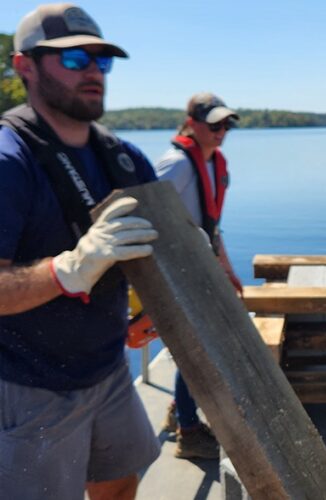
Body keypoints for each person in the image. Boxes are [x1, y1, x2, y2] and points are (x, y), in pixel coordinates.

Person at [0, 4, 161, 499]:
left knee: (119, 484)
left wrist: (151, 305)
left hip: (108, 368)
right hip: (31, 386)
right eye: (73, 60)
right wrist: (69, 269)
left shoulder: (124, 157)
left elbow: (157, 250)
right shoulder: (9, 160)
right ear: (24, 65)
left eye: (101, 60)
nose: (93, 71)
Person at [154, 92, 242, 460]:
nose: (222, 132)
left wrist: (226, 268)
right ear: (192, 124)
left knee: (203, 347)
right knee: (198, 353)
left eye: (227, 124)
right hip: (178, 275)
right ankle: (188, 432)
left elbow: (211, 225)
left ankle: (179, 410)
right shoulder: (175, 165)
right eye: (214, 125)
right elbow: (140, 210)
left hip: (203, 270)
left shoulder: (215, 164)